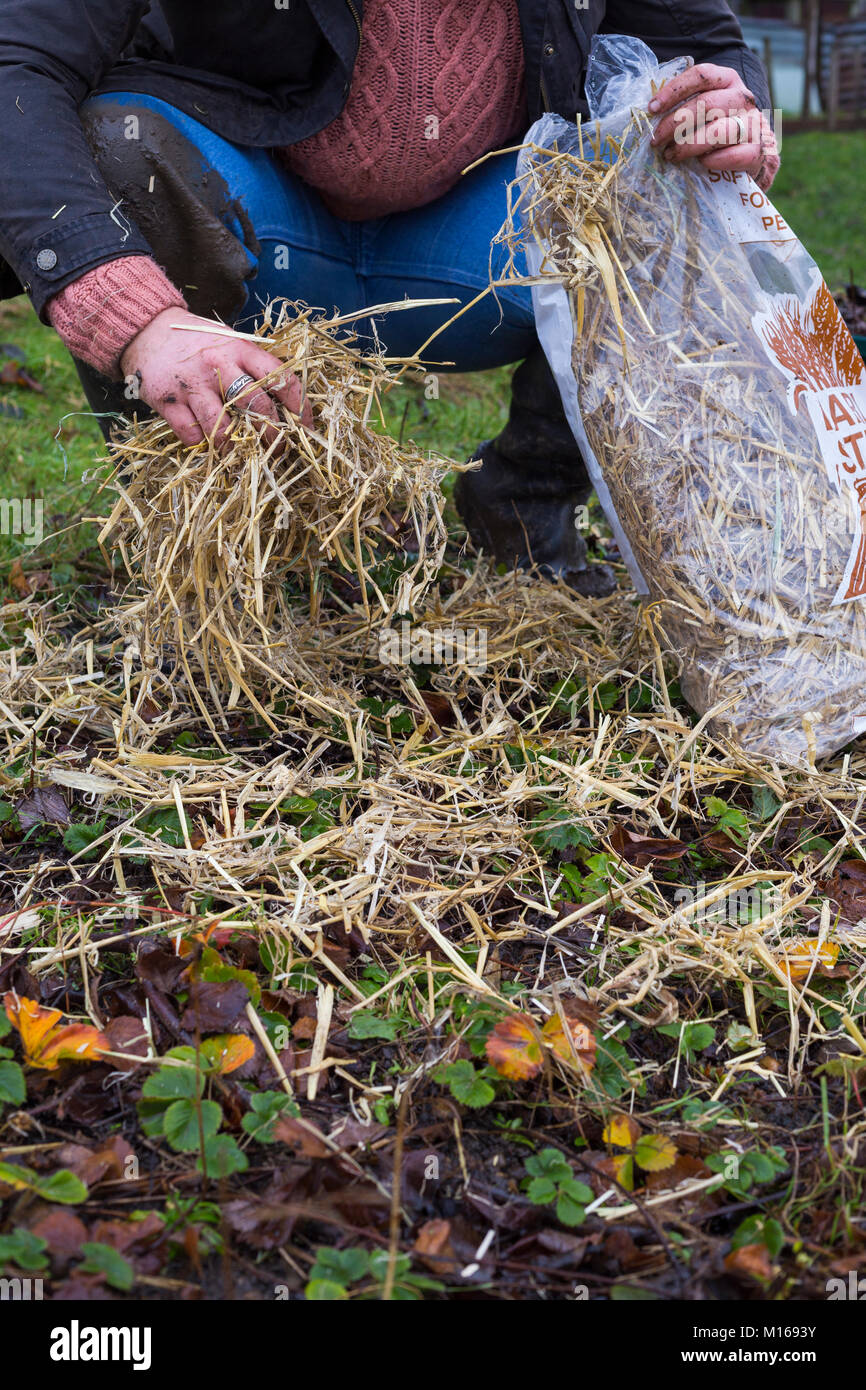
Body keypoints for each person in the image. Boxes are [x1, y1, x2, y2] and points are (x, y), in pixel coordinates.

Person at [0, 1, 777, 594]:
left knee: (660, 176)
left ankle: (525, 498)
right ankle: (202, 549)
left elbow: (703, 48)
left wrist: (728, 116)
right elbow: (18, 63)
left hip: (471, 246)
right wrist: (138, 318)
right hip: (252, 217)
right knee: (119, 144)